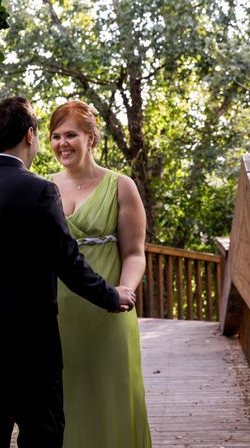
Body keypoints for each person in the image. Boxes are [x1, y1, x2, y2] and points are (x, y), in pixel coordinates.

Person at [0, 96, 137, 448]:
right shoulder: (38, 190)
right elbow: (68, 261)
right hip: (29, 347)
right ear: (31, 136)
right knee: (42, 438)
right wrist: (112, 295)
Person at [48, 100, 152, 447]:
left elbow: (135, 252)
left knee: (109, 400)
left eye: (71, 135)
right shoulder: (43, 188)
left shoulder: (121, 186)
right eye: (55, 136)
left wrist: (123, 289)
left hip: (110, 309)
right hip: (57, 314)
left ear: (91, 138)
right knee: (62, 405)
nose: (63, 143)